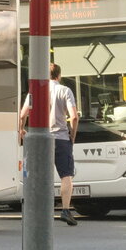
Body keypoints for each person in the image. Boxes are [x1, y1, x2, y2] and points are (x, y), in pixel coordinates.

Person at [19, 63, 80, 225]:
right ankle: (66, 211)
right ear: (59, 76)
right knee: (66, 175)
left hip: (39, 140)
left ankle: (36, 211)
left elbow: (22, 115)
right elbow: (74, 117)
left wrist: (21, 131)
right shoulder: (65, 91)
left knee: (38, 176)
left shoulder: (34, 93)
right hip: (61, 139)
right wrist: (72, 135)